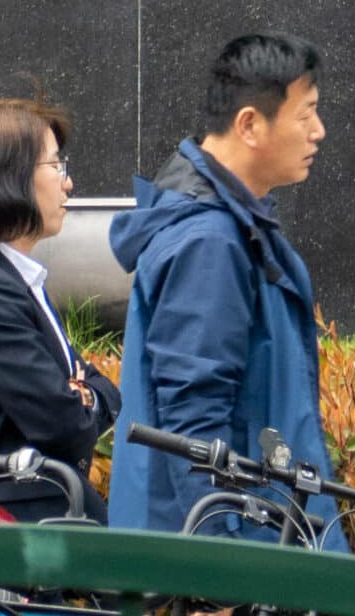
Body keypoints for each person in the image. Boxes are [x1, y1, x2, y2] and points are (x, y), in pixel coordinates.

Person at [105, 33, 334, 542]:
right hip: (232, 560)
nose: (318, 132)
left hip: (259, 538)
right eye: (306, 115)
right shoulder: (208, 242)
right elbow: (192, 424)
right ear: (250, 124)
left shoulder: (230, 224)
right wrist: (218, 574)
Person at [0, 96, 120, 522]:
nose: (67, 183)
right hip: (2, 550)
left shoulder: (14, 279)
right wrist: (82, 398)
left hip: (34, 536)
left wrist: (86, 394)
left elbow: (102, 391)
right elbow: (68, 427)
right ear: (7, 177)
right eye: (55, 165)